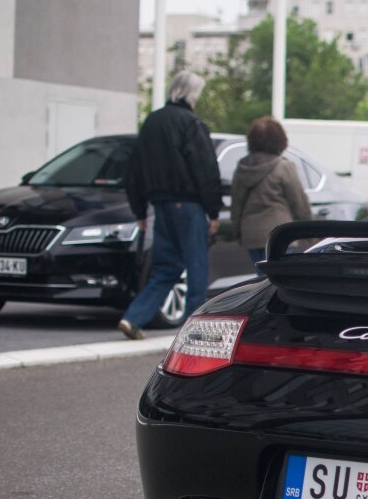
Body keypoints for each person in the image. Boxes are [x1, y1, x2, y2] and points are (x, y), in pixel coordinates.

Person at [119, 71, 222, 340]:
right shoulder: (191, 123)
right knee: (196, 264)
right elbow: (205, 169)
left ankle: (133, 318)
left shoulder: (152, 122)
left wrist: (140, 211)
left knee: (165, 267)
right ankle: (195, 328)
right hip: (188, 205)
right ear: (191, 94)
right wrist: (213, 210)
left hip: (160, 205)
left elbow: (134, 172)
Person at [229, 116, 311, 267]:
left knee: (263, 278)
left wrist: (237, 232)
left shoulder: (242, 169)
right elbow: (298, 202)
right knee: (282, 280)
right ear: (279, 139)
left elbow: (236, 204)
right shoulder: (284, 167)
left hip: (251, 235)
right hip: (280, 235)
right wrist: (307, 229)